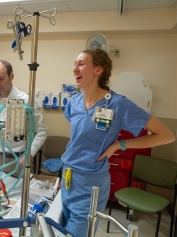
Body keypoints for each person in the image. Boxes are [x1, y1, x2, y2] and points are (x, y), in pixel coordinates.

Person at [60, 48, 175, 237]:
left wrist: (120, 145)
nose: (74, 69)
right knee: (62, 224)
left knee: (78, 232)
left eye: (81, 64)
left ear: (98, 70)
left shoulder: (118, 104)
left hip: (91, 182)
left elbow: (166, 135)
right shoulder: (74, 102)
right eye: (74, 64)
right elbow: (80, 138)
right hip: (68, 175)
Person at [0, 60, 47, 177]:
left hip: (20, 159)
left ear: (11, 76)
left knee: (18, 193)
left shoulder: (26, 101)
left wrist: (29, 154)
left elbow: (42, 131)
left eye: (1, 79)